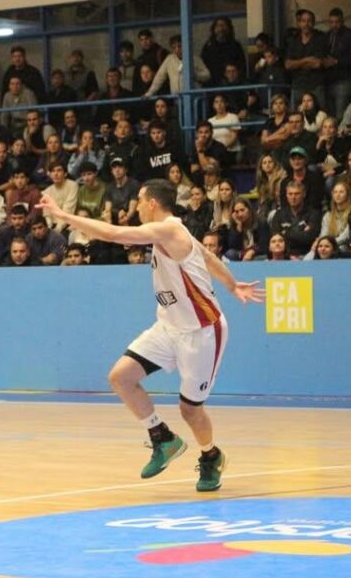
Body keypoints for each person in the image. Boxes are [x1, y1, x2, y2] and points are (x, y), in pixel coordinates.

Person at [38, 180, 264, 491]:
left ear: (153, 203)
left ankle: (211, 456)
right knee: (121, 377)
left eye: (140, 200)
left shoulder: (169, 230)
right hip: (168, 326)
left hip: (201, 331)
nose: (138, 205)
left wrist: (63, 215)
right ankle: (163, 438)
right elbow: (207, 257)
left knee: (190, 410)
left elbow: (113, 234)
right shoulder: (174, 233)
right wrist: (232, 284)